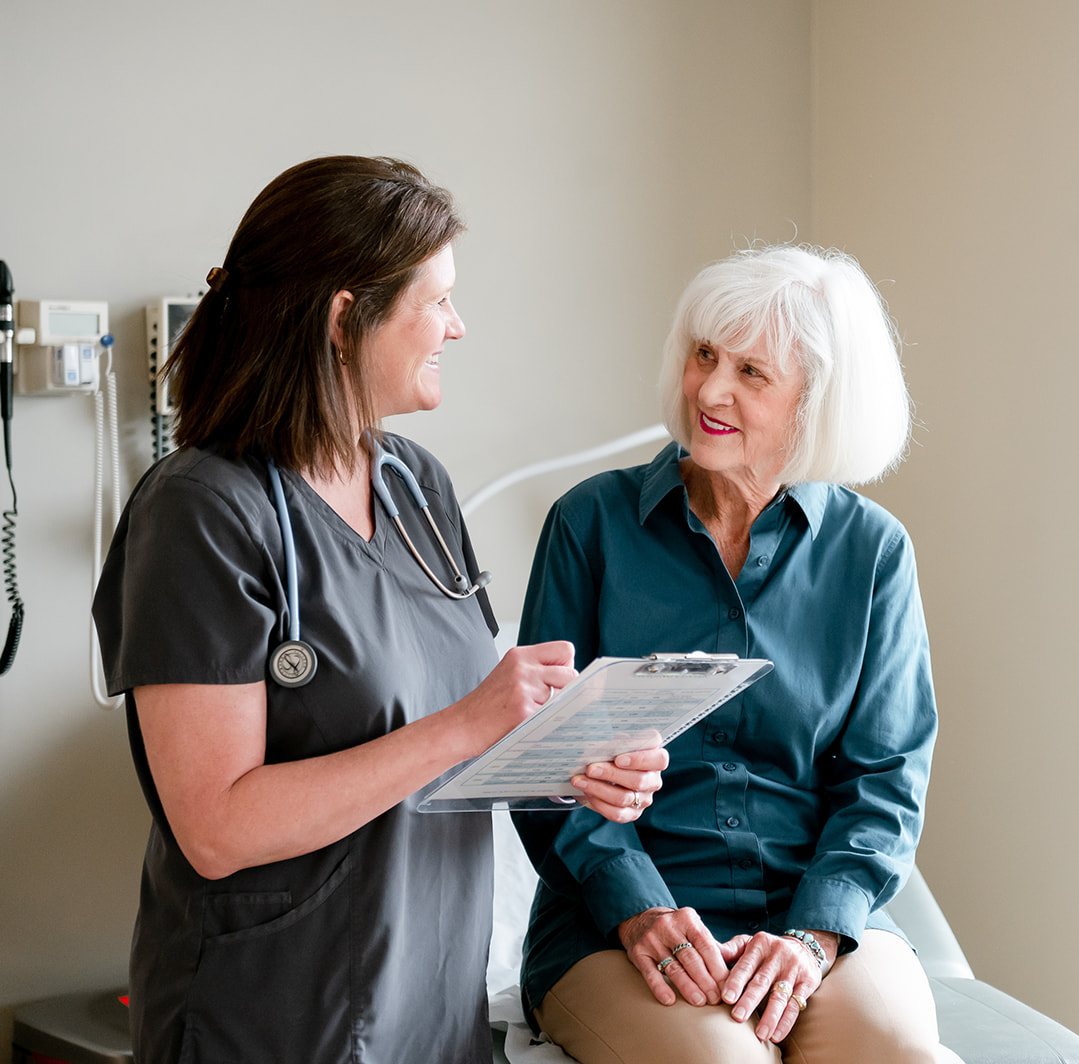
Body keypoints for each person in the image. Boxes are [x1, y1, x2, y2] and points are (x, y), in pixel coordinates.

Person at [91, 155, 667, 1064]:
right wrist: (470, 722)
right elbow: (215, 827)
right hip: (274, 1014)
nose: (458, 327)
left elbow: (451, 734)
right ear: (343, 318)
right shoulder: (201, 510)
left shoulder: (415, 486)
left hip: (430, 998)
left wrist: (568, 762)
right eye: (436, 302)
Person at [514, 244, 943, 1063]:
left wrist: (813, 938)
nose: (711, 390)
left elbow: (886, 780)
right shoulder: (589, 525)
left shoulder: (874, 552)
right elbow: (542, 770)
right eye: (706, 356)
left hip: (810, 915)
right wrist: (639, 907)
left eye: (753, 372)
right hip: (617, 924)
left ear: (816, 399)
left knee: (899, 1052)